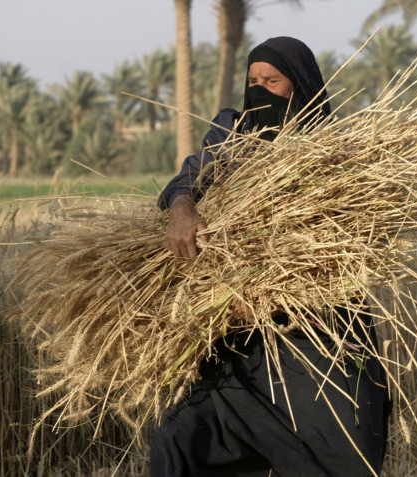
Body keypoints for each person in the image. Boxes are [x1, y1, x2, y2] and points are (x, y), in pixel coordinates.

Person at [151, 36, 391, 477]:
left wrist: (277, 294)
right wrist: (183, 205)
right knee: (182, 435)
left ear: (298, 86)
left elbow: (352, 248)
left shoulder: (335, 152)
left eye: (272, 80)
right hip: (238, 335)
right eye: (253, 80)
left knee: (338, 456)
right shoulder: (232, 131)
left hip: (315, 335)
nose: (260, 88)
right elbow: (189, 176)